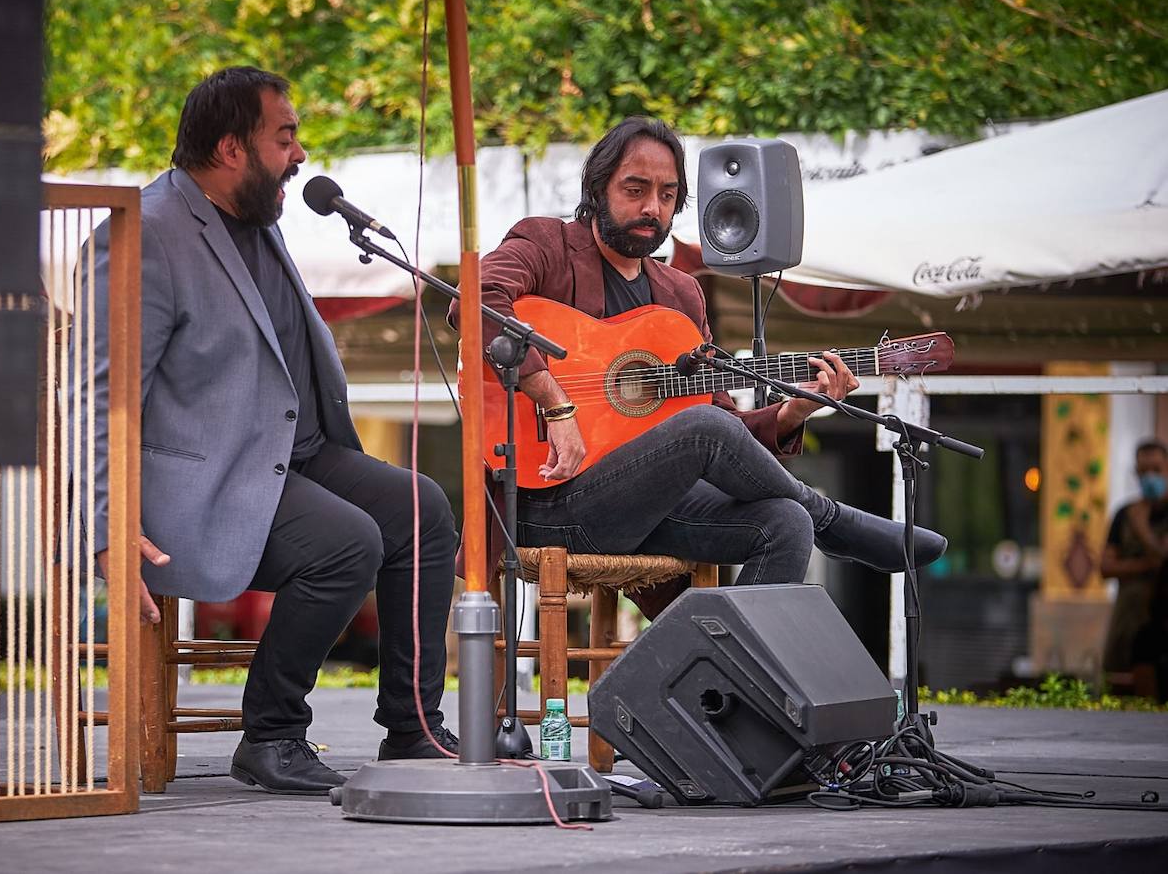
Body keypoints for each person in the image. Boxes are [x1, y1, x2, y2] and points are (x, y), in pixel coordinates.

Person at [80, 67, 458, 796]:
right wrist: (106, 521)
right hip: (202, 487)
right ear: (230, 149)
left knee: (423, 510)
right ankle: (273, 733)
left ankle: (413, 724)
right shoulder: (146, 232)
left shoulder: (258, 215)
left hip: (297, 460)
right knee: (349, 542)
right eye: (284, 137)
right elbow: (98, 392)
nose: (301, 153)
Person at [454, 117, 946, 618]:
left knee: (785, 522)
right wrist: (555, 404)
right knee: (705, 432)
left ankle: (724, 685)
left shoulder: (681, 294)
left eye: (668, 195)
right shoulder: (547, 245)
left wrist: (792, 412)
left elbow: (722, 427)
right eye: (635, 189)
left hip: (645, 508)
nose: (652, 207)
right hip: (543, 500)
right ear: (597, 188)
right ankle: (835, 523)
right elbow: (474, 302)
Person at [1100, 440, 1168, 679]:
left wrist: (1143, 532)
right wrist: (1148, 565)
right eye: (1143, 471)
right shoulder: (1124, 514)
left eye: (1156, 470)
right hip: (1128, 620)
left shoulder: (1138, 520)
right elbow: (1106, 567)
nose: (1150, 477)